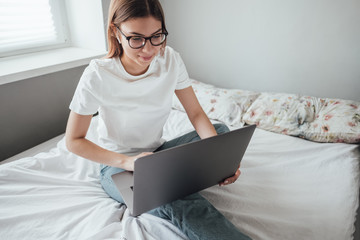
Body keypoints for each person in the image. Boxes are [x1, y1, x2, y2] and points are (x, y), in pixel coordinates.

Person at [65, 0, 251, 239]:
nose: (148, 49)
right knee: (172, 197)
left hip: (159, 155)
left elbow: (195, 113)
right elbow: (74, 140)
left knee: (221, 132)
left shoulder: (171, 59)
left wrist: (221, 159)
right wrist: (129, 162)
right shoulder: (97, 75)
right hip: (117, 165)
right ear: (115, 32)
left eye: (156, 36)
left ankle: (177, 175)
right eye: (136, 38)